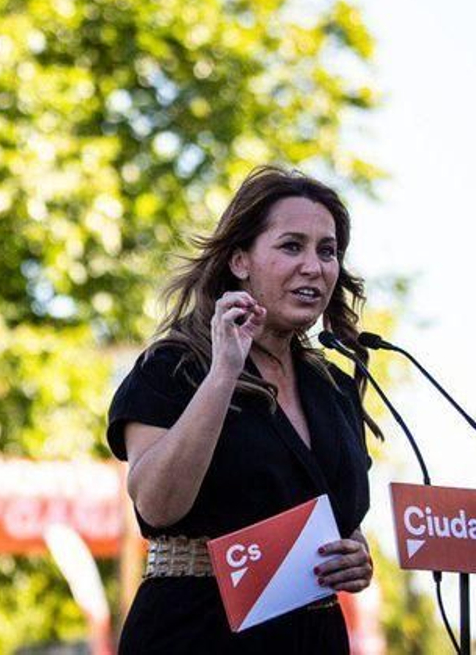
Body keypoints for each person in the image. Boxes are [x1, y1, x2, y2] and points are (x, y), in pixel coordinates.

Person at [107, 166, 379, 652]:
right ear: (239, 261)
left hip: (311, 636)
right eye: (291, 246)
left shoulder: (334, 387)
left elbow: (335, 514)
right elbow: (157, 502)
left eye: (327, 250)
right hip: (195, 630)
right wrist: (224, 372)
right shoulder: (174, 367)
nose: (314, 266)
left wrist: (355, 554)